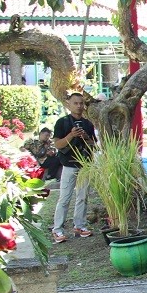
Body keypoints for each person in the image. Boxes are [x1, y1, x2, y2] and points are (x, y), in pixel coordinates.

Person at [51, 93, 97, 243]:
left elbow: (94, 145)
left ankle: (80, 226)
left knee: (83, 197)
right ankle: (57, 229)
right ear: (69, 104)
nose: (79, 106)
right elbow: (58, 145)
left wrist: (86, 137)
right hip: (69, 165)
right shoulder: (62, 123)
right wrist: (71, 135)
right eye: (75, 103)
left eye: (81, 103)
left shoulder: (88, 124)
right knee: (65, 198)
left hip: (85, 164)